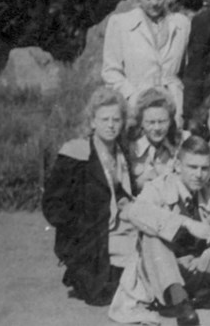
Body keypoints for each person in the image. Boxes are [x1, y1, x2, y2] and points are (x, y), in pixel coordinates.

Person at [109, 136, 210, 325]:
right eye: (192, 167)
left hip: (198, 267)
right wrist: (186, 223)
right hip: (166, 271)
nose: (199, 174)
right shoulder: (158, 188)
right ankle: (180, 304)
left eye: (204, 168)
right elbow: (135, 212)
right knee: (151, 236)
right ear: (178, 165)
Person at [42, 87, 136, 306]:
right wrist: (78, 230)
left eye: (116, 119)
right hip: (87, 239)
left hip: (113, 231)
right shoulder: (77, 153)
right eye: (104, 119)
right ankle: (79, 271)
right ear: (92, 122)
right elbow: (52, 204)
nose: (111, 125)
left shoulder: (120, 153)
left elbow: (116, 191)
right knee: (108, 294)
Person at [102, 0, 189, 124]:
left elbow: (187, 68)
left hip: (173, 104)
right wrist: (133, 96)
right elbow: (111, 72)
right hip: (136, 105)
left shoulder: (181, 23)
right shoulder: (121, 24)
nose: (154, 3)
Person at [130, 88, 182, 192]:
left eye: (162, 121)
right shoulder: (131, 149)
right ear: (141, 123)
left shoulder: (180, 145)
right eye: (151, 122)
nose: (157, 128)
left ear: (171, 121)